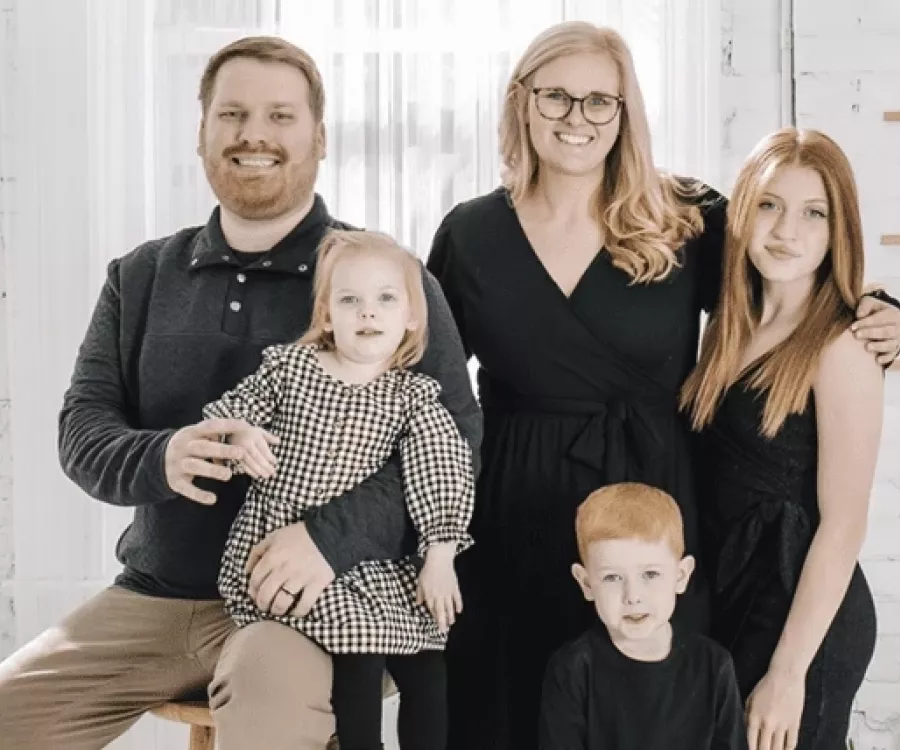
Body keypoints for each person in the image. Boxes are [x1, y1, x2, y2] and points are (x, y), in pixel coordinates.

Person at [424, 20, 900, 750]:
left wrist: (884, 311)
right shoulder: (469, 235)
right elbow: (423, 390)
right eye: (556, 97)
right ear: (521, 102)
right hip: (509, 512)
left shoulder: (681, 216)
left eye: (600, 101)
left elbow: (790, 272)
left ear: (626, 112)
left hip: (656, 511)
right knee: (510, 714)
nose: (577, 119)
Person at [0, 37, 481, 750]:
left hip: (305, 604)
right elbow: (83, 429)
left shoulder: (382, 278)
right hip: (152, 598)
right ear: (202, 134)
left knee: (270, 706)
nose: (254, 134)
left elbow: (455, 441)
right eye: (233, 114)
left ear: (318, 137)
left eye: (280, 116)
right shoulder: (140, 277)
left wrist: (328, 539)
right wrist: (160, 457)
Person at [203, 229, 473, 750]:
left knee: (430, 666)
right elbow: (228, 415)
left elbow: (441, 470)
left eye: (385, 299)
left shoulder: (413, 396)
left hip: (378, 563)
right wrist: (242, 436)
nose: (368, 313)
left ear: (411, 318)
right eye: (351, 300)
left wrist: (440, 554)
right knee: (359, 660)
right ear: (327, 315)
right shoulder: (290, 370)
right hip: (297, 556)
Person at [680, 127, 883, 750]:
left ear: (836, 230)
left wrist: (790, 671)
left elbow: (843, 525)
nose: (786, 231)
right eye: (769, 205)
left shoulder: (842, 344)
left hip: (802, 614)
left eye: (812, 213)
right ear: (741, 211)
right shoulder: (726, 330)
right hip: (734, 595)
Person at [538, 482, 748, 750]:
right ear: (586, 583)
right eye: (612, 577)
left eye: (650, 574)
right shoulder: (572, 669)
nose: (632, 596)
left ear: (681, 576)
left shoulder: (714, 665)